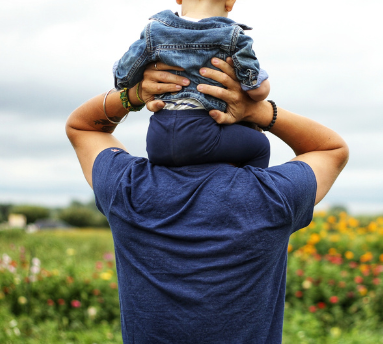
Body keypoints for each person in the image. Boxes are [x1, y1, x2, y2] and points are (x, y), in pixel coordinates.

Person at [66, 58, 348, 343]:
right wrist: (260, 111)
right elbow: (331, 149)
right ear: (248, 134)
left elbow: (84, 127)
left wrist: (134, 94)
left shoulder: (127, 188)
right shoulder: (272, 197)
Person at [113, 0, 271, 168]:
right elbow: (255, 90)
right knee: (259, 145)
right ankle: (250, 195)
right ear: (231, 2)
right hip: (204, 134)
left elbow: (123, 77)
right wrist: (261, 84)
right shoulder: (233, 36)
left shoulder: (154, 32)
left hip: (158, 139)